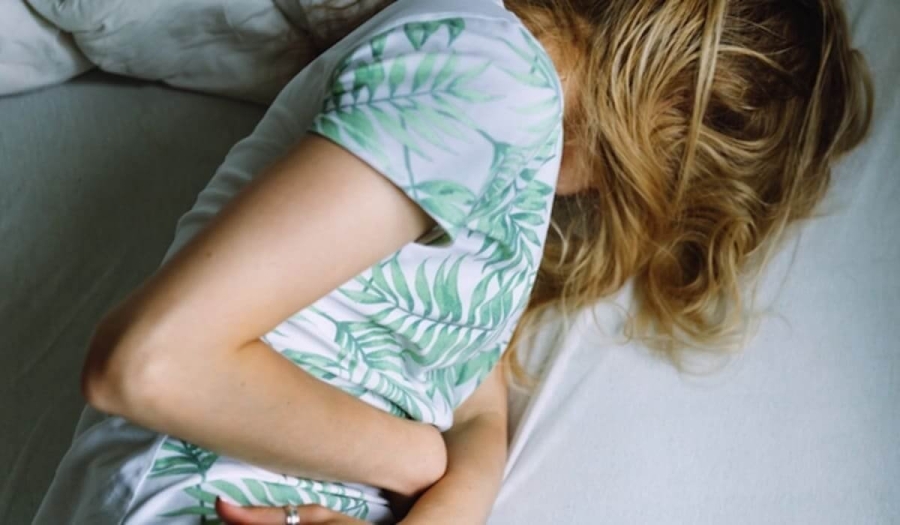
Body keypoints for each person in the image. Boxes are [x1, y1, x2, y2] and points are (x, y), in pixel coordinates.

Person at [33, 0, 873, 524]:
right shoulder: (493, 83)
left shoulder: (509, 142)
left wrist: (443, 496)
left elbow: (472, 412)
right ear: (684, 107)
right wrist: (412, 461)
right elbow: (150, 361)